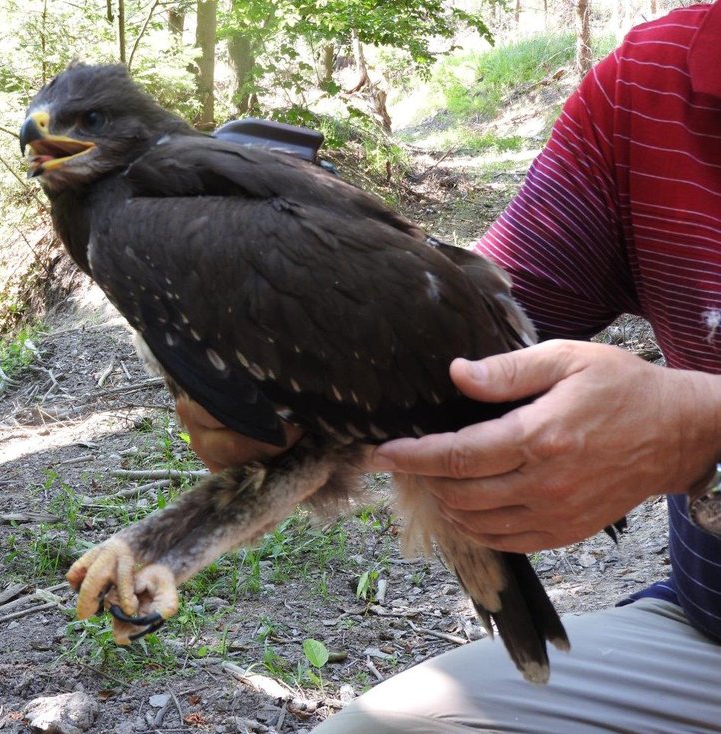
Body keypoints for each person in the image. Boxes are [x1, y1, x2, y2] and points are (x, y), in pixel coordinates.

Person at [177, 4, 721, 732]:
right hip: (707, 639)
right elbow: (466, 336)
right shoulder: (652, 85)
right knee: (381, 729)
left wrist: (700, 430)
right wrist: (296, 364)